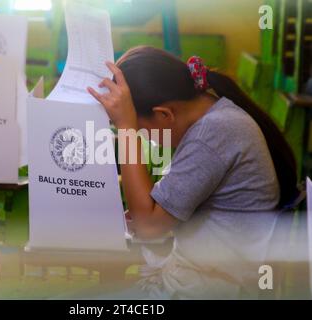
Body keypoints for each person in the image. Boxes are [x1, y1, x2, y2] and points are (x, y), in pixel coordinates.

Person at [87, 46, 299, 299]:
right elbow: (156, 216)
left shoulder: (212, 135)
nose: (148, 140)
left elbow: (148, 227)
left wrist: (126, 130)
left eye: (142, 131)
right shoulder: (217, 115)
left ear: (164, 114)